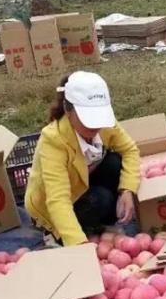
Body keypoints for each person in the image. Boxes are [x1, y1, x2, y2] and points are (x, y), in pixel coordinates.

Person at [25, 71, 140, 246]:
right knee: (101, 200)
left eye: (98, 117)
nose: (94, 125)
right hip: (53, 204)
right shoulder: (53, 140)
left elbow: (130, 150)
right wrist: (79, 245)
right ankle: (54, 234)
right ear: (68, 110)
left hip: (82, 179)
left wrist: (127, 190)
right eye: (88, 118)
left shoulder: (105, 125)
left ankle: (102, 224)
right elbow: (58, 200)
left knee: (114, 163)